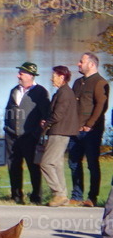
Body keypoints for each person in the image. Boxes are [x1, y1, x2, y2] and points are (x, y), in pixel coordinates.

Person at [4, 62, 50, 205]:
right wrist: (7, 128)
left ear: (30, 76)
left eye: (21, 73)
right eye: (19, 73)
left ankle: (36, 195)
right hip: (12, 135)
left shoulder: (40, 92)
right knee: (13, 165)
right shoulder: (14, 91)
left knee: (33, 166)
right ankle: (16, 194)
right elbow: (8, 111)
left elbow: (46, 115)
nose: (18, 76)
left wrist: (37, 133)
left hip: (30, 136)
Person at [67, 52, 109, 207]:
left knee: (92, 163)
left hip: (91, 131)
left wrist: (90, 124)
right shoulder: (78, 82)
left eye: (81, 61)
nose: (78, 64)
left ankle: (92, 197)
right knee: (73, 163)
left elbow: (101, 106)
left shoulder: (99, 82)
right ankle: (76, 195)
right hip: (75, 129)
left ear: (91, 64)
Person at [39, 66, 77, 206]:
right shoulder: (62, 92)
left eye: (54, 75)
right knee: (57, 164)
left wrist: (46, 124)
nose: (51, 78)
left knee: (46, 163)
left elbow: (58, 114)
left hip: (59, 132)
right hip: (60, 131)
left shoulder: (64, 93)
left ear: (62, 77)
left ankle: (58, 193)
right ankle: (63, 196)